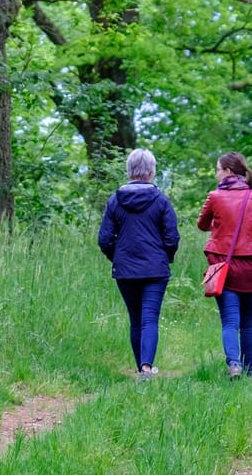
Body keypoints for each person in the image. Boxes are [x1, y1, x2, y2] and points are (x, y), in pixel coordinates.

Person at [196, 152, 252, 380]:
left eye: (217, 169)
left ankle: (234, 364)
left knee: (229, 322)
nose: (216, 174)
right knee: (248, 324)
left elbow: (202, 224)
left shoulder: (215, 197)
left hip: (224, 267)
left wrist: (219, 224)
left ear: (227, 172)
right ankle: (249, 372)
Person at [97, 147, 179, 379]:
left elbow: (104, 239)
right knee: (150, 318)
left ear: (129, 171)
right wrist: (165, 257)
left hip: (126, 269)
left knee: (136, 318)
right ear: (151, 172)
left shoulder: (115, 200)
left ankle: (141, 369)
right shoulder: (161, 200)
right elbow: (172, 237)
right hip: (155, 269)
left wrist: (117, 256)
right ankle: (146, 367)